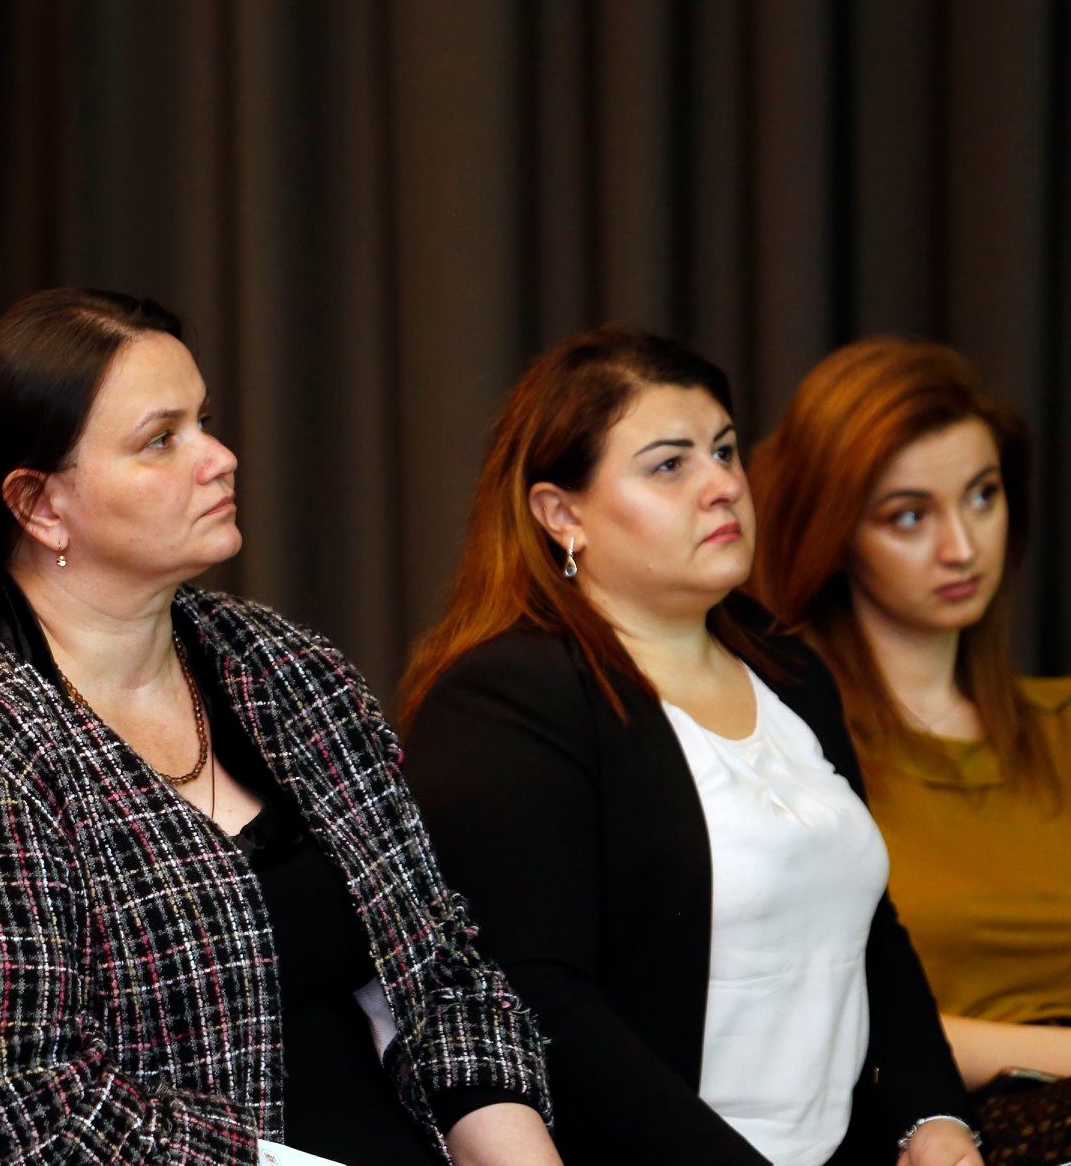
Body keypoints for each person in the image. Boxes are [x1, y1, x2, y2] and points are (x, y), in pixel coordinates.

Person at [0, 288, 557, 1164]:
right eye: (162, 440)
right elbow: (11, 1109)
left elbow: (440, 973)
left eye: (205, 423)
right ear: (40, 506)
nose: (221, 459)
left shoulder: (283, 667)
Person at [398, 326, 982, 1166]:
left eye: (725, 451)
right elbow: (539, 1002)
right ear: (562, 515)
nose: (723, 487)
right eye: (670, 465)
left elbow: (872, 934)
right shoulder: (505, 700)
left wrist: (933, 1120)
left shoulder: (787, 667)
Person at [749, 336, 1071, 1164]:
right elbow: (835, 1021)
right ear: (836, 531)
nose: (962, 546)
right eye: (909, 515)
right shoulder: (788, 735)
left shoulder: (1065, 729)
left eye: (982, 496)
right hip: (934, 1127)